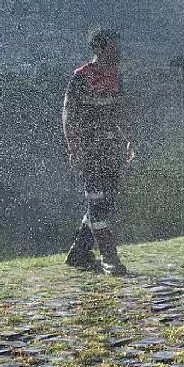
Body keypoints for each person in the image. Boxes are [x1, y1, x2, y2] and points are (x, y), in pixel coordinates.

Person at [63, 28, 135, 276]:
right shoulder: (81, 76)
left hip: (112, 149)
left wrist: (129, 141)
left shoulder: (116, 76)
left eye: (118, 47)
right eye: (113, 48)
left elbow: (121, 111)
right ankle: (109, 258)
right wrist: (74, 148)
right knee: (98, 203)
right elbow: (68, 115)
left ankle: (79, 253)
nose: (118, 52)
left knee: (107, 203)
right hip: (89, 150)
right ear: (99, 49)